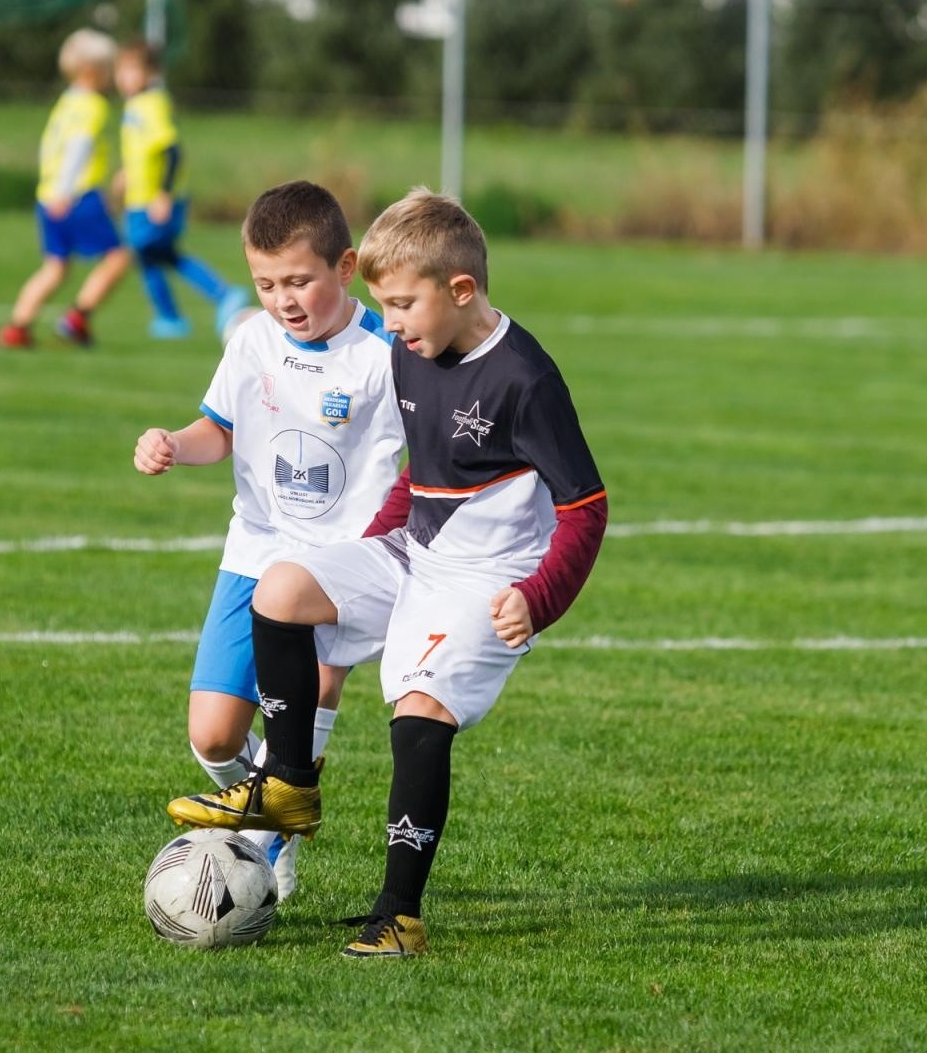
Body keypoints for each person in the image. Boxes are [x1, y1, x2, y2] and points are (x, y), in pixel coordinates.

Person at [166, 189, 608, 957]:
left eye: (402, 304)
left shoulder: (524, 380)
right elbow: (426, 472)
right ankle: (291, 784)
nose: (391, 322)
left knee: (420, 715)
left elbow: (587, 506)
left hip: (488, 578)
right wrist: (363, 553)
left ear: (460, 291)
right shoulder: (413, 350)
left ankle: (398, 915)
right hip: (414, 553)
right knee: (285, 587)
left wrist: (538, 601)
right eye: (383, 305)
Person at [134, 181, 405, 899]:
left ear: (345, 269)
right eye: (266, 282)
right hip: (254, 553)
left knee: (314, 689)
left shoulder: (386, 352)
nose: (284, 298)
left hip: (337, 568)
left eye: (299, 281)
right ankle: (270, 803)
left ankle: (266, 834)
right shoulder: (251, 339)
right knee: (213, 738)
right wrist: (171, 442)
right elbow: (216, 431)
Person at [0, 29, 130, 350]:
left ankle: (17, 327)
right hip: (76, 195)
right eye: (109, 69)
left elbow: (51, 148)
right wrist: (66, 190)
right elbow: (79, 147)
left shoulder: (66, 102)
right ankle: (77, 318)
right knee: (118, 258)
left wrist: (53, 189)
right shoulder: (93, 106)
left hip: (48, 196)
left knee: (55, 267)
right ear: (92, 71)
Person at [113, 39, 247, 340]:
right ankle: (177, 315)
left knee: (146, 253)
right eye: (119, 70)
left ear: (150, 73)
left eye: (131, 70)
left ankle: (205, 301)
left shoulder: (152, 104)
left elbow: (171, 151)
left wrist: (163, 193)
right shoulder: (135, 105)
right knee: (159, 256)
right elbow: (144, 149)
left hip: (155, 202)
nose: (123, 77)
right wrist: (127, 173)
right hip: (140, 200)